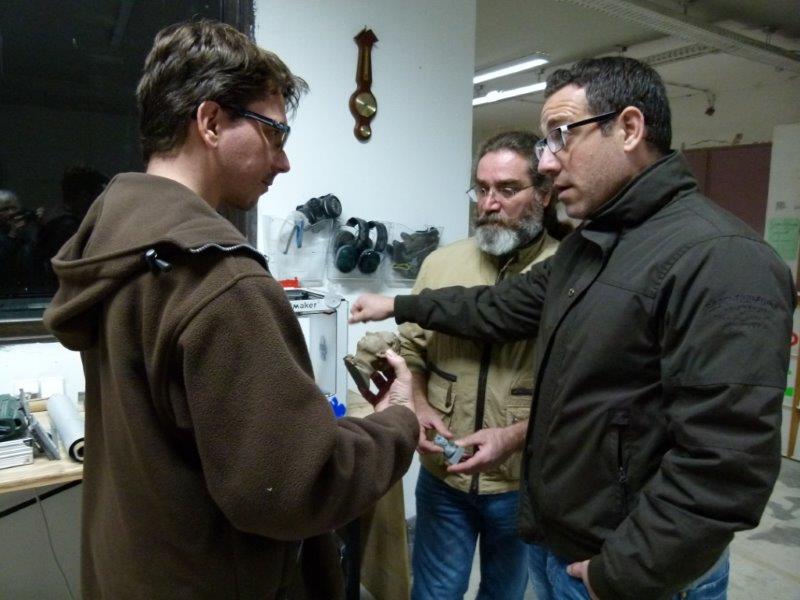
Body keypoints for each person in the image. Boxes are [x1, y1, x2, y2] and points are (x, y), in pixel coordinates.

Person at [350, 56, 795, 600]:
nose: (548, 161)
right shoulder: (593, 246)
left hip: (624, 568)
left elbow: (725, 463)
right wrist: (398, 304)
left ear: (629, 128)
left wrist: (623, 573)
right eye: (545, 142)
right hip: (559, 543)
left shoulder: (721, 258)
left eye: (561, 135)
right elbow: (497, 307)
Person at [43, 20, 419, 599]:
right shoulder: (218, 280)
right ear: (212, 122)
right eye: (274, 133)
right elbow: (294, 490)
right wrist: (397, 420)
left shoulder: (119, 251)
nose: (284, 162)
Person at [401, 131, 564, 599]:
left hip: (521, 483)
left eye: (508, 189)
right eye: (482, 188)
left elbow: (579, 389)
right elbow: (411, 350)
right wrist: (417, 405)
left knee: (504, 594)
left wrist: (514, 437)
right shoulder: (440, 264)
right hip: (444, 478)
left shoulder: (568, 271)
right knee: (434, 593)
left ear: (544, 193)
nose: (489, 204)